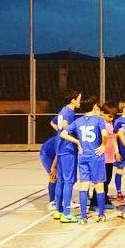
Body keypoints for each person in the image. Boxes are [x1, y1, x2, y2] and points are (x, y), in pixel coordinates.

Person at [62, 95, 109, 223]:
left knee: (84, 185)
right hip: (96, 156)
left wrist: (77, 142)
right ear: (94, 106)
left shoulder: (78, 121)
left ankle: (83, 217)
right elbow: (105, 134)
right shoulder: (99, 120)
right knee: (99, 185)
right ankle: (101, 215)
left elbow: (63, 134)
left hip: (83, 156)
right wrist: (103, 145)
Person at [52, 88, 81, 223]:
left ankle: (58, 210)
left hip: (60, 148)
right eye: (79, 99)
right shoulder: (69, 112)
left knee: (61, 180)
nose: (80, 101)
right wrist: (77, 141)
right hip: (68, 150)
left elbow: (57, 126)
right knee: (69, 181)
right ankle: (67, 213)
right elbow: (65, 129)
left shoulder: (62, 111)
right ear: (73, 100)